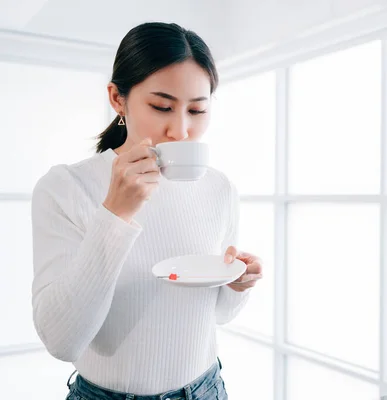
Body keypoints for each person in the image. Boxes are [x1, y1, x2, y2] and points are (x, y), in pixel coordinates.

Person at [30, 22, 263, 400]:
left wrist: (237, 284)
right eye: (162, 107)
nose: (182, 130)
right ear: (118, 99)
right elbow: (61, 341)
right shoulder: (66, 188)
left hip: (206, 389)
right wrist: (115, 214)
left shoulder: (219, 188)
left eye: (198, 110)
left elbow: (218, 315)